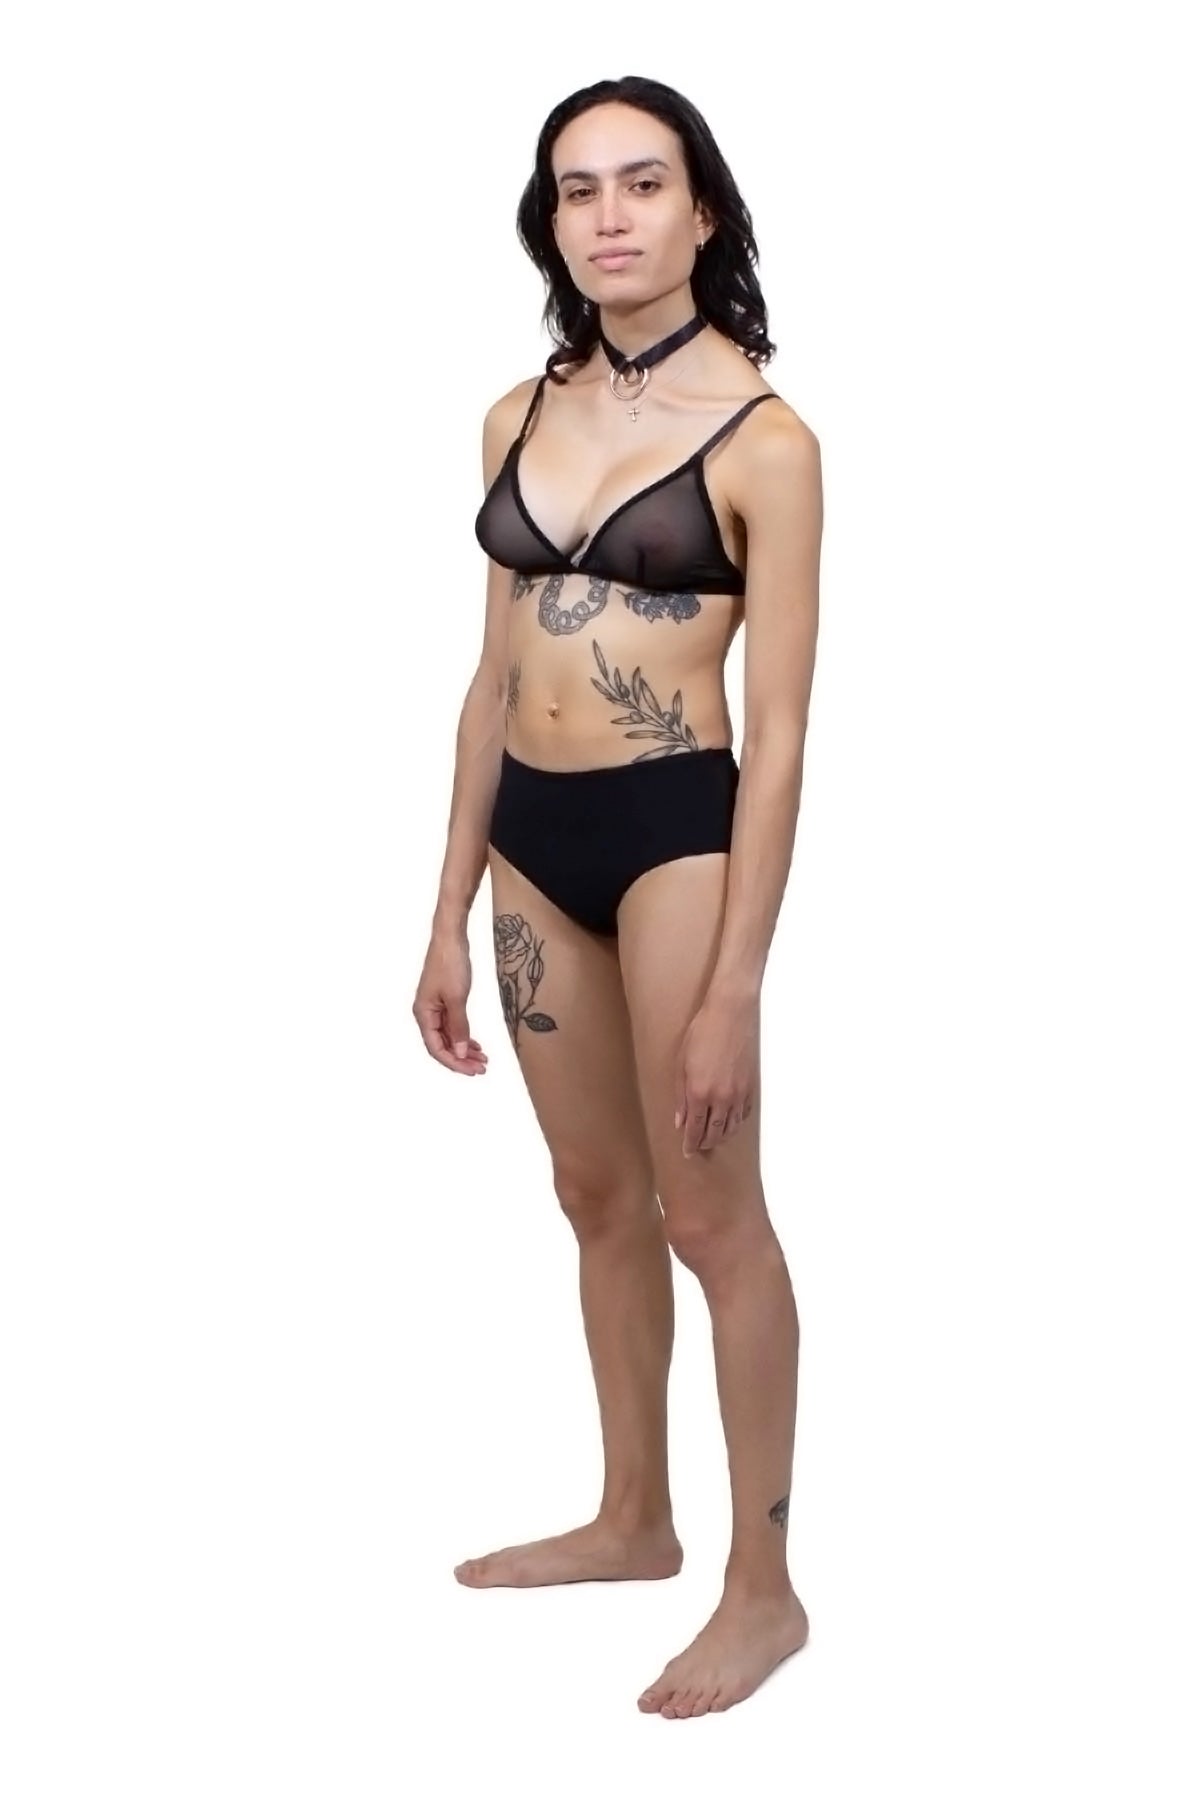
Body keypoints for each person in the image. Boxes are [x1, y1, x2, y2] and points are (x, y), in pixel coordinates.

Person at [413, 73, 823, 1720]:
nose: (610, 215)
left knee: (713, 1219)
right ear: (553, 221)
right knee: (595, 1196)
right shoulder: (516, 416)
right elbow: (489, 675)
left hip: (674, 842)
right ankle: (634, 1518)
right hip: (532, 842)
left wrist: (736, 985)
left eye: (643, 183)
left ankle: (764, 1589)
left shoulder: (769, 444)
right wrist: (444, 908)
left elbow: (780, 736)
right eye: (578, 189)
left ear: (701, 211)